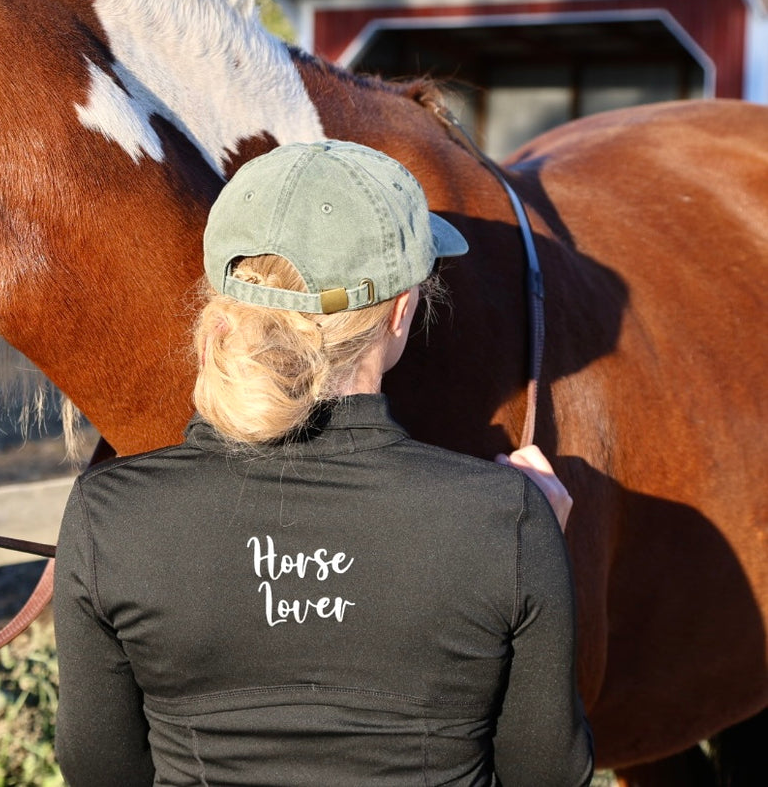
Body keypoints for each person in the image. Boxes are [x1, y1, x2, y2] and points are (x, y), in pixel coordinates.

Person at [53, 139, 593, 787]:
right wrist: (534, 545)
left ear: (225, 305)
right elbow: (549, 773)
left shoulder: (109, 517)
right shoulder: (506, 522)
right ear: (399, 311)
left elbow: (97, 769)